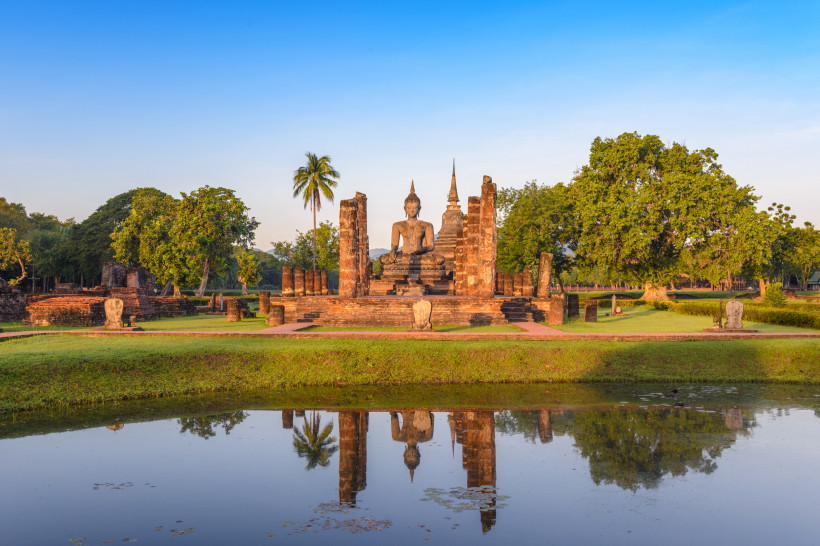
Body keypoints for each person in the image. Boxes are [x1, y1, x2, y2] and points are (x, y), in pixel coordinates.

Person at [380, 181, 444, 266]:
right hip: (404, 254)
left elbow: (430, 246)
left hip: (420, 255)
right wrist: (393, 252)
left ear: (419, 208)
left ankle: (407, 262)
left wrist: (420, 250)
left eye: (414, 208)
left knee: (439, 259)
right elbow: (394, 244)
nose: (412, 210)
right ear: (405, 209)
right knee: (383, 258)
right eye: (409, 208)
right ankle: (408, 261)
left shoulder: (427, 225)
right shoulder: (397, 225)